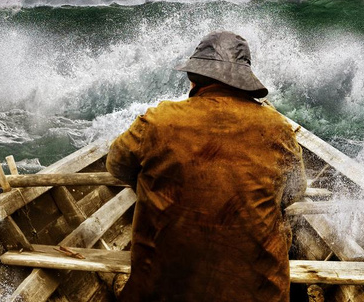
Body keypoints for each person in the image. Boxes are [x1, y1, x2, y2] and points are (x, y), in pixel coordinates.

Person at [106, 30, 306, 301]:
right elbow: (295, 191)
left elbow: (116, 165)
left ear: (194, 77)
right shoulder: (278, 128)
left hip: (160, 293)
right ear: (243, 81)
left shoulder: (158, 121)